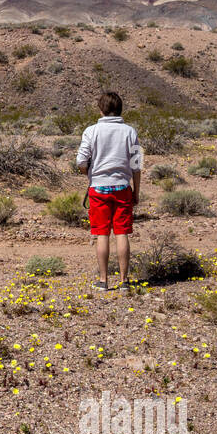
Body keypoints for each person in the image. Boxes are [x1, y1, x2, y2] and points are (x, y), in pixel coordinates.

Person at [75, 91, 142, 290]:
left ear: (101, 109)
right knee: (122, 234)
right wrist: (136, 192)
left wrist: (89, 173)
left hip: (98, 188)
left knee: (101, 233)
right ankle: (124, 281)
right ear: (120, 109)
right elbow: (136, 166)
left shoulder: (91, 131)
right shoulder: (130, 132)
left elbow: (80, 160)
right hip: (123, 188)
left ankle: (103, 280)